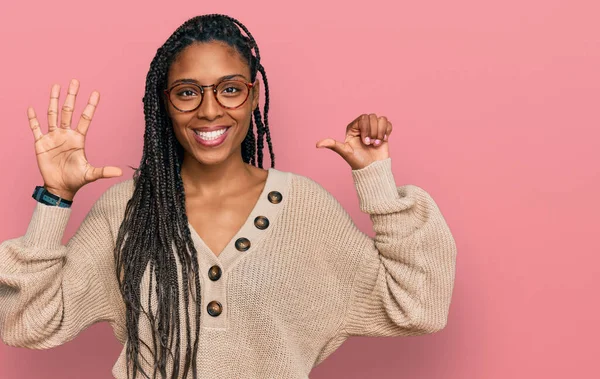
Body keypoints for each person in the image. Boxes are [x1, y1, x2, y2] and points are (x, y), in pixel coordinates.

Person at [0, 13, 457, 379]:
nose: (210, 109)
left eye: (230, 89)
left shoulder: (305, 210)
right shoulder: (126, 211)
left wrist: (376, 181)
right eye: (187, 93)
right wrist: (55, 198)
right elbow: (27, 323)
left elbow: (418, 305)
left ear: (253, 96)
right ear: (164, 102)